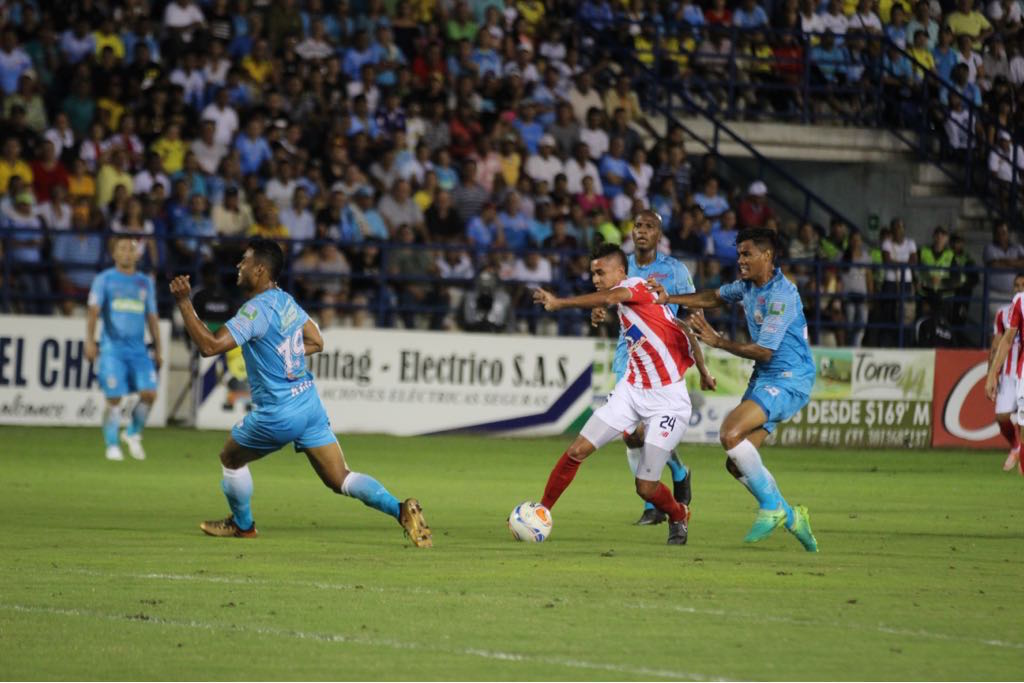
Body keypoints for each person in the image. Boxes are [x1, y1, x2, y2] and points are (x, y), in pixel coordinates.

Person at [168, 238, 432, 546]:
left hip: (278, 412)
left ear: (260, 270)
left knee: (230, 458)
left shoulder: (253, 312)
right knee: (340, 478)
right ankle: (401, 509)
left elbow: (209, 346)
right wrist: (286, 357)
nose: (238, 266)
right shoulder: (285, 301)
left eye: (245, 261)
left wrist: (185, 303)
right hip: (308, 404)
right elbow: (317, 341)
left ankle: (243, 525)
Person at [651, 228, 818, 551]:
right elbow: (714, 297)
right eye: (739, 254)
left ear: (766, 256)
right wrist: (668, 299)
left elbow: (765, 351)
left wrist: (719, 342)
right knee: (736, 462)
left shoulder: (781, 295)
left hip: (789, 378)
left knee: (729, 433)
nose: (740, 260)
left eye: (747, 254)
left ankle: (771, 507)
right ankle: (792, 516)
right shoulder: (746, 287)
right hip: (766, 378)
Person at [531, 243, 696, 546]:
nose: (594, 278)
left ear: (620, 271)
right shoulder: (623, 299)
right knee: (576, 451)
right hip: (631, 392)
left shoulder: (635, 284)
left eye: (600, 271)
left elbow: (611, 296)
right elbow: (614, 303)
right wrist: (601, 310)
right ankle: (541, 512)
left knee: (646, 488)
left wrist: (559, 303)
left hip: (668, 401)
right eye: (592, 273)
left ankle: (678, 513)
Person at [592, 210, 713, 529]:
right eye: (638, 226)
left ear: (659, 235)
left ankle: (655, 500)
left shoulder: (674, 270)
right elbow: (605, 296)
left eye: (649, 227)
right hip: (628, 356)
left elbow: (693, 307)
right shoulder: (621, 266)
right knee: (631, 434)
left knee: (652, 430)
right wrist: (597, 310)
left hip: (664, 359)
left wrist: (697, 339)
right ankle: (673, 478)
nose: (642, 231)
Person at [85, 237, 162, 462]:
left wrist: (158, 347)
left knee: (150, 394)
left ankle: (132, 433)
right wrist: (90, 341)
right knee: (115, 397)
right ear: (114, 254)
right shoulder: (104, 279)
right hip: (112, 350)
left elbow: (152, 316)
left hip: (138, 350)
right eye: (122, 249)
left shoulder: (144, 282)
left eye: (131, 249)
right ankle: (112, 444)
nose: (127, 252)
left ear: (138, 255)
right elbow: (93, 312)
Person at [987, 274, 1024, 472]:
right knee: (1002, 417)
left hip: (1021, 373)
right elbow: (997, 344)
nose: (1019, 288)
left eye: (1023, 285)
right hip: (1009, 374)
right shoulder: (1002, 313)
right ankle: (1015, 446)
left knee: (1022, 418)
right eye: (1016, 285)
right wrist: (990, 373)